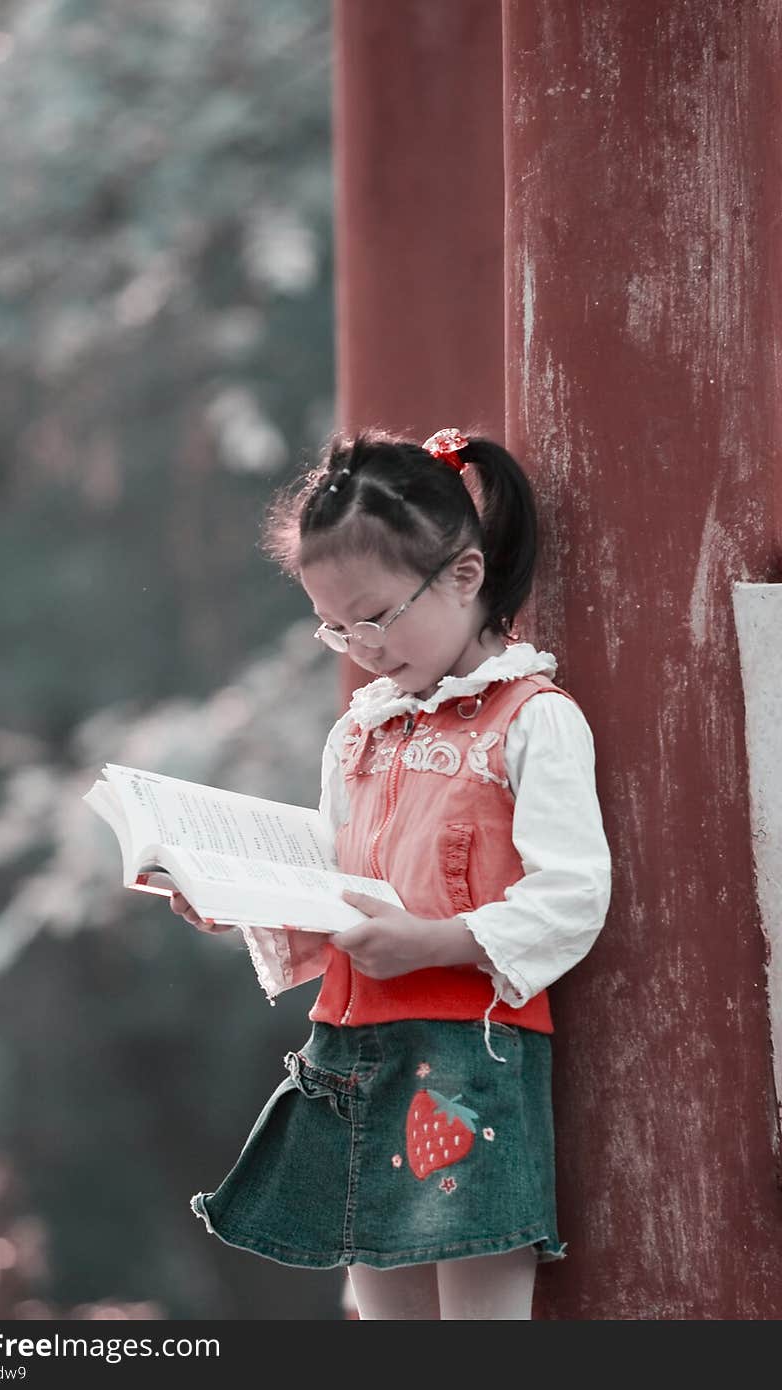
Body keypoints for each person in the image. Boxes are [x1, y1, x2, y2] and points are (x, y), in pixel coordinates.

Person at [171, 425, 612, 1320]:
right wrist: (228, 899)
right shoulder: (359, 733)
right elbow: (332, 894)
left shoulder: (533, 719)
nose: (363, 647)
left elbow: (573, 895)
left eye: (375, 616)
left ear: (463, 574)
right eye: (336, 628)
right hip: (345, 1050)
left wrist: (433, 942)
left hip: (467, 1057)